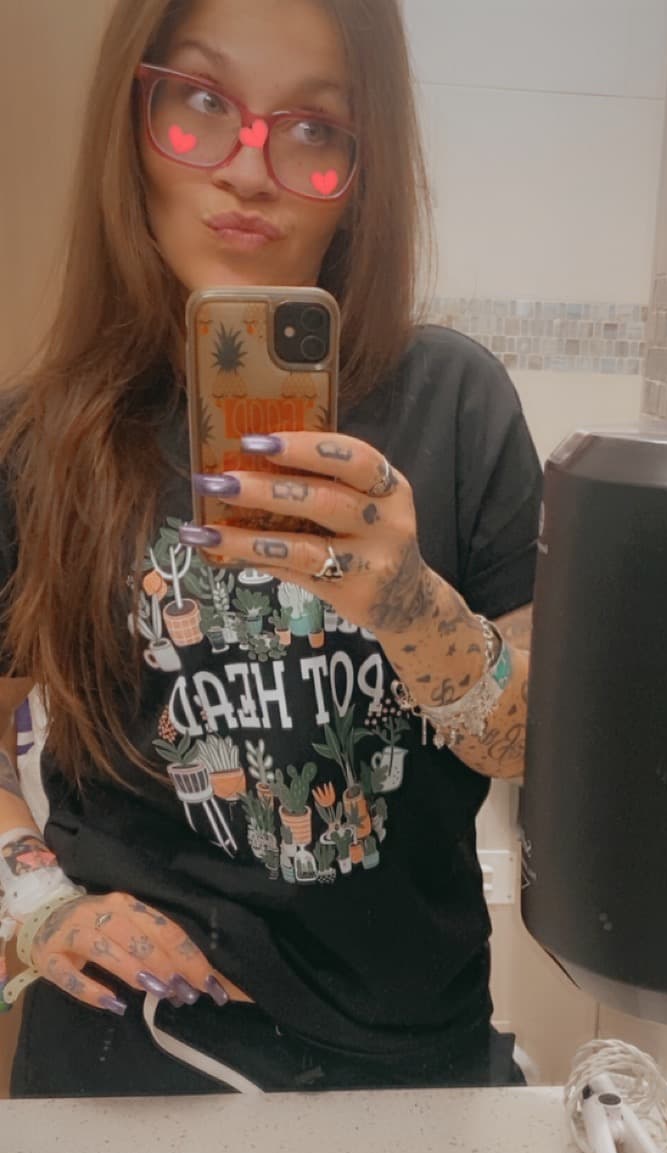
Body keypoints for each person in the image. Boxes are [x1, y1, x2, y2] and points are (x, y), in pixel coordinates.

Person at [0, 0, 542, 1096]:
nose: (250, 171)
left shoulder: (456, 402)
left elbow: (527, 743)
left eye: (313, 129)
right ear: (133, 123)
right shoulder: (42, 439)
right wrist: (37, 902)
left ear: (363, 171)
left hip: (409, 1056)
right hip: (137, 1051)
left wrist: (411, 607)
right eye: (202, 102)